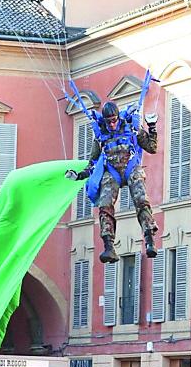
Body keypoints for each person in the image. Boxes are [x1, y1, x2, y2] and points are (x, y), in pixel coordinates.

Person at [66, 99, 159, 263]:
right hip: (112, 171)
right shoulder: (101, 136)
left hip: (131, 168)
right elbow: (93, 163)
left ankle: (150, 240)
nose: (112, 125)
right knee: (105, 204)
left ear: (118, 118)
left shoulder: (132, 129)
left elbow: (152, 147)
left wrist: (152, 127)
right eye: (109, 122)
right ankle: (109, 246)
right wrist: (79, 175)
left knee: (141, 200)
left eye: (114, 121)